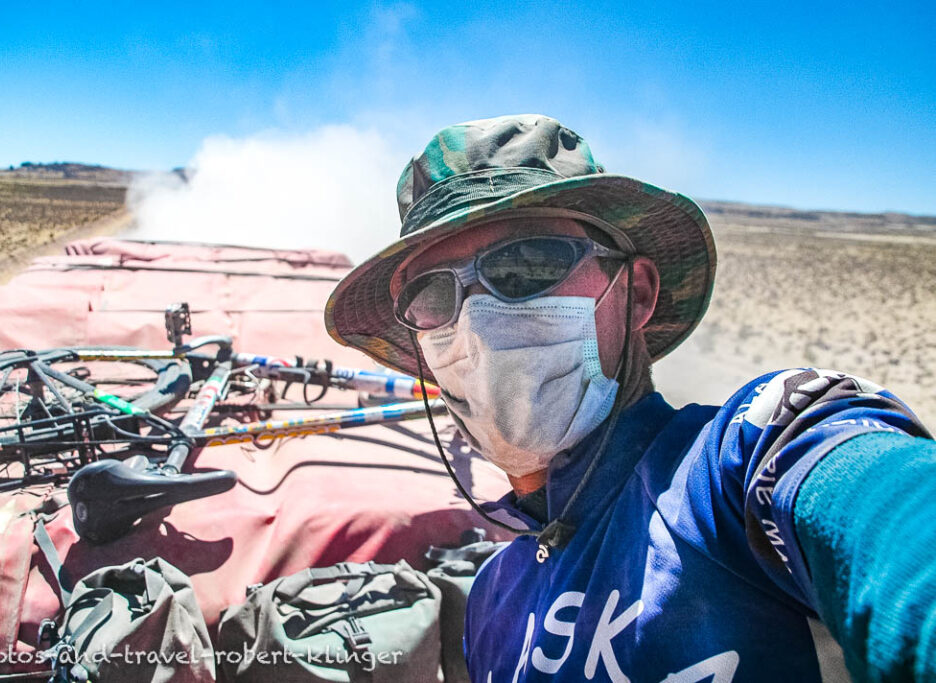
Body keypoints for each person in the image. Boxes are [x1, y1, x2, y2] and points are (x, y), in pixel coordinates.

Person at [324, 114, 936, 682]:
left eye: (526, 264)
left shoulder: (738, 467)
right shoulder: (491, 598)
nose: (478, 321)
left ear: (636, 293)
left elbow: (887, 509)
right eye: (432, 296)